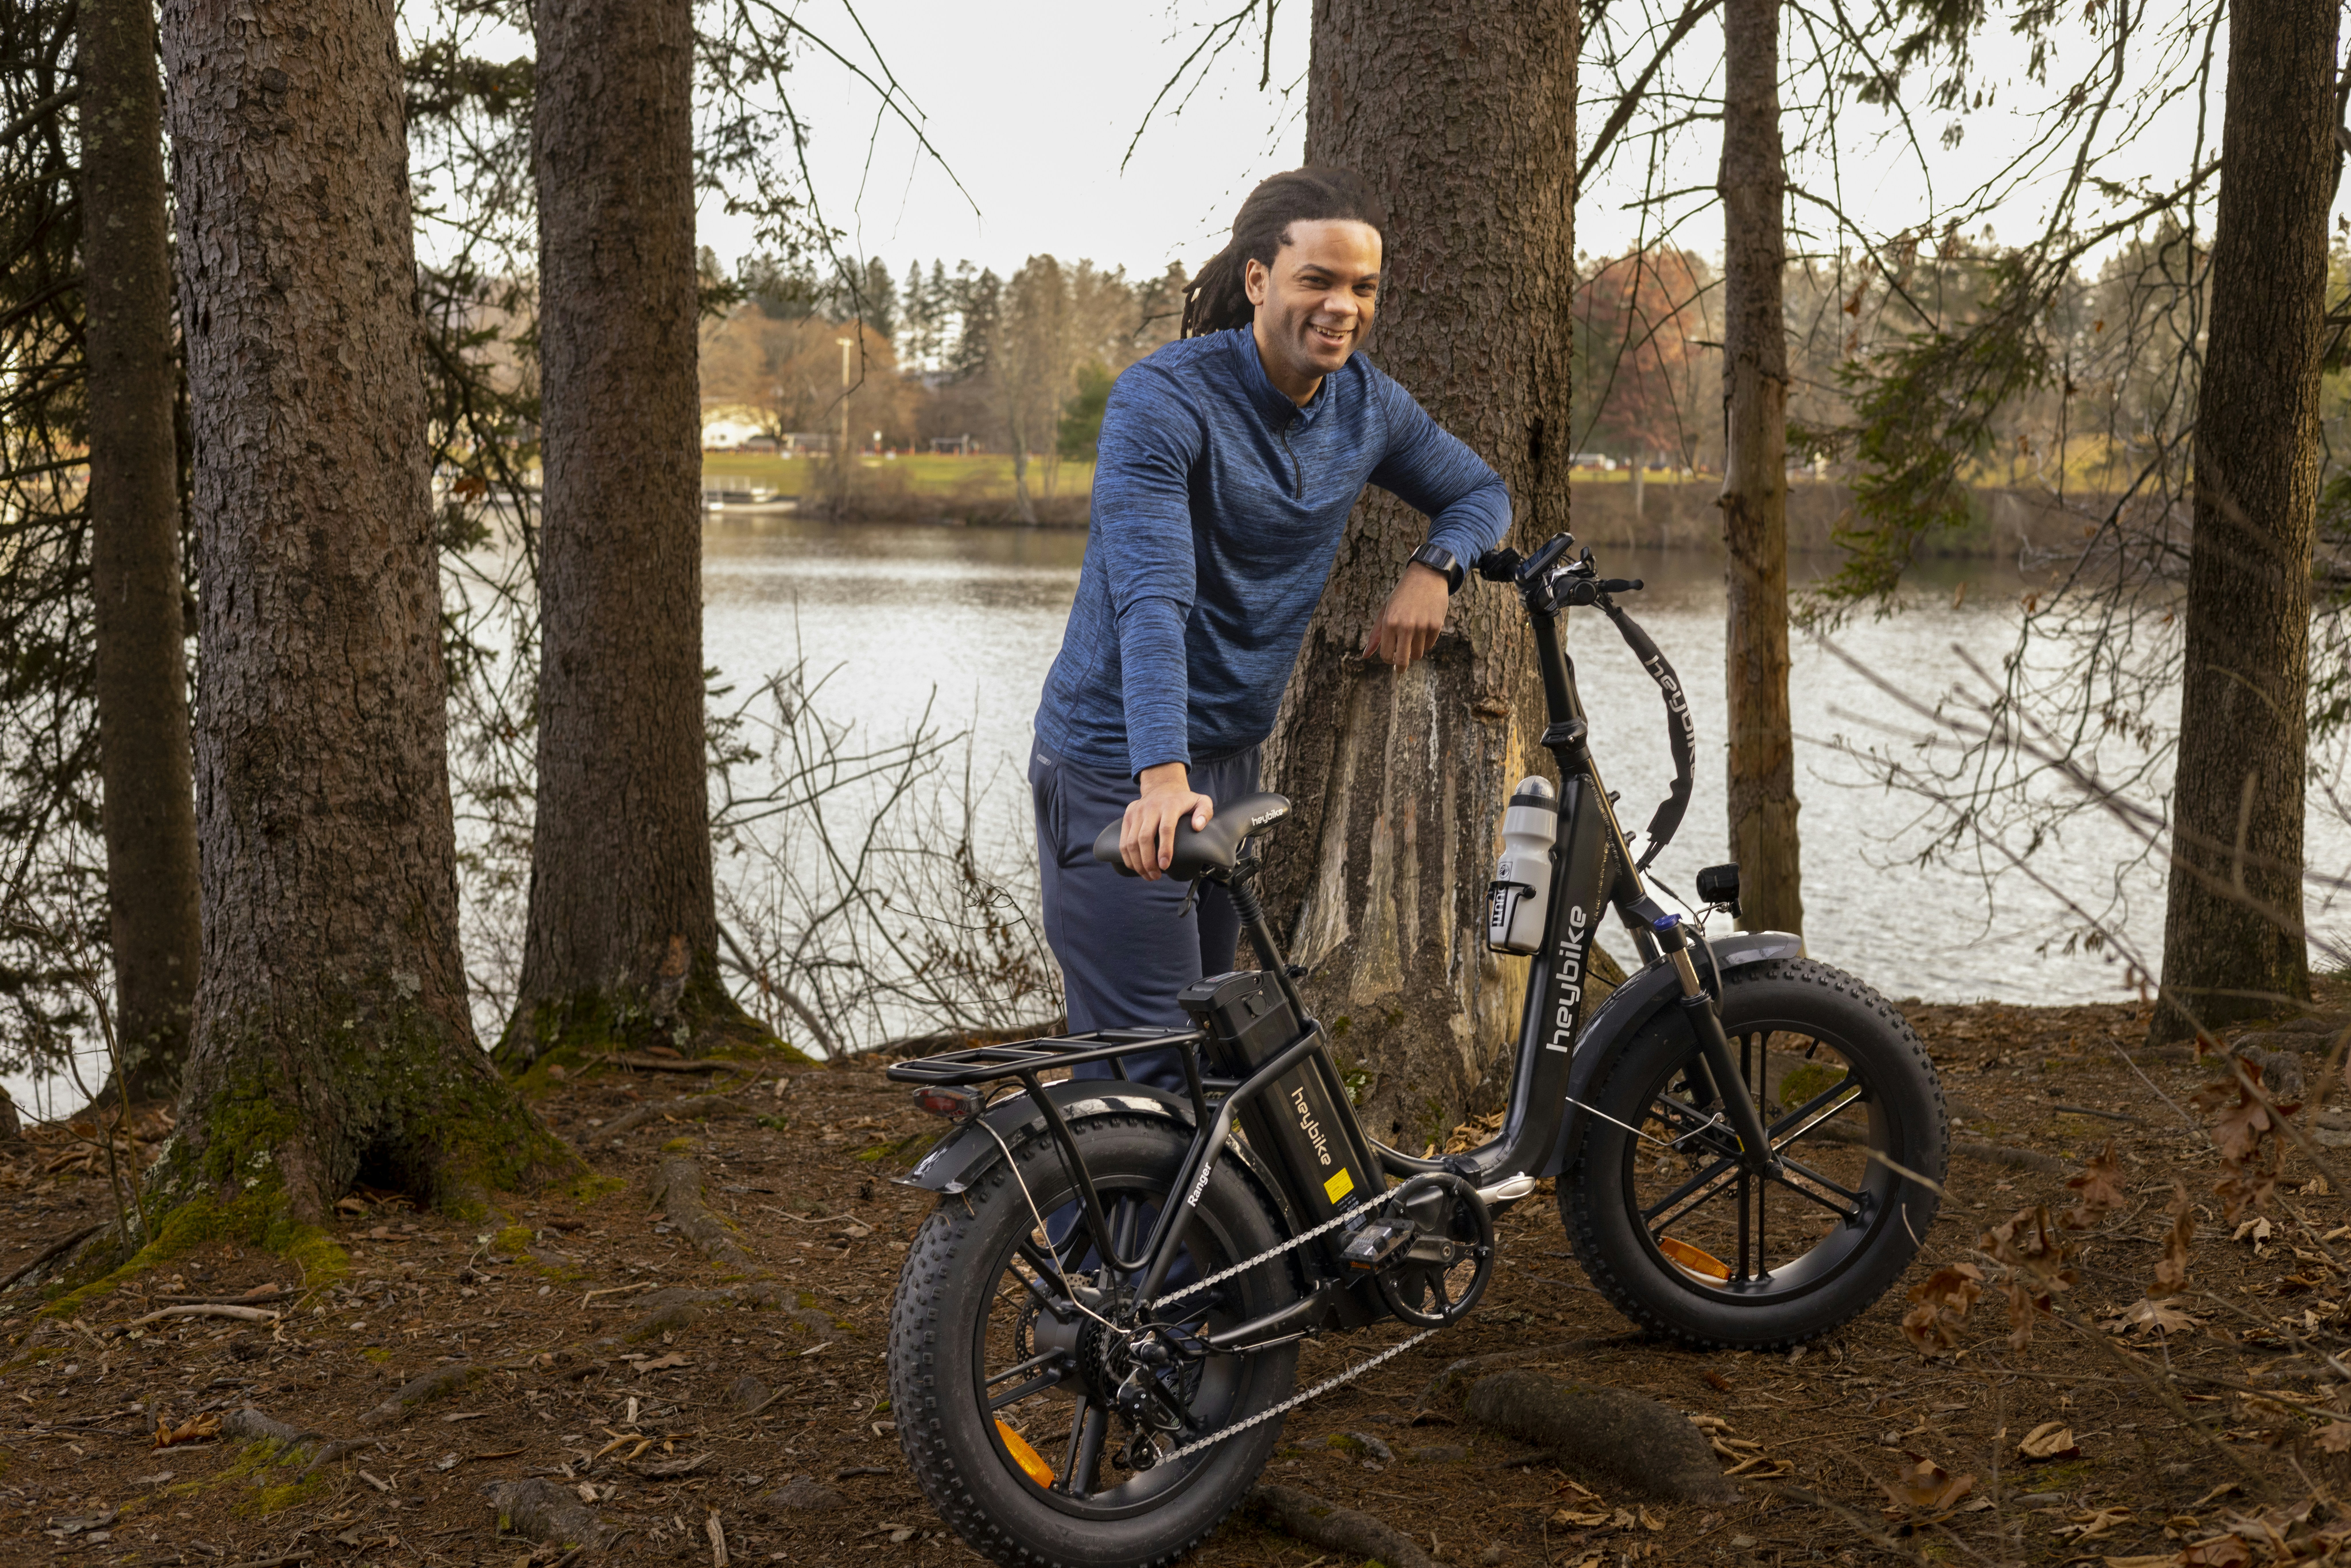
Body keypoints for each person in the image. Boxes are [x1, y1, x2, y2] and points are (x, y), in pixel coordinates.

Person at [1030, 166, 1512, 1091]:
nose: (1342, 308)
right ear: (1259, 281)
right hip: (1115, 766)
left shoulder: (1366, 407)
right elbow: (1154, 598)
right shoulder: (1164, 402)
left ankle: (1154, 1238)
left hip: (1224, 760)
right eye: (1317, 281)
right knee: (1152, 1069)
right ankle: (1083, 1236)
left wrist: (1436, 568)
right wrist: (1159, 781)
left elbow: (1482, 492)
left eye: (1363, 288)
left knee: (1211, 1056)